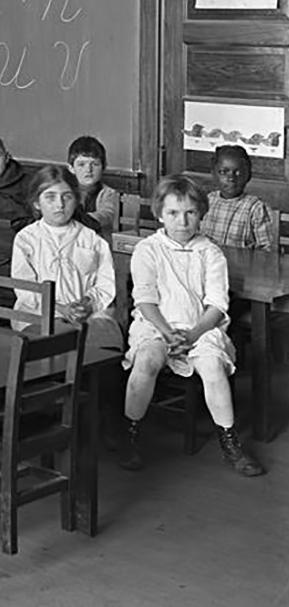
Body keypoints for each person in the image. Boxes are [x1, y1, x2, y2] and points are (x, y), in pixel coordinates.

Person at [120, 175, 265, 477]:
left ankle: (230, 440)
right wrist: (167, 332)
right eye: (173, 213)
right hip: (156, 325)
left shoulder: (210, 252)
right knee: (147, 361)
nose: (182, 221)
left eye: (190, 213)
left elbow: (217, 303)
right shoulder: (148, 249)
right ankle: (131, 433)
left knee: (212, 367)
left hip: (199, 327)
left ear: (200, 214)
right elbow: (145, 299)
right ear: (160, 214)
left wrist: (194, 333)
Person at [11, 165, 122, 351]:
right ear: (37, 203)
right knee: (55, 342)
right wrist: (61, 309)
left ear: (76, 199)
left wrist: (87, 303)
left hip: (87, 312)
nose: (60, 204)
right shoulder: (26, 239)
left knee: (104, 343)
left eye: (67, 196)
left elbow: (105, 283)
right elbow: (26, 289)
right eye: (50, 197)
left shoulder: (92, 238)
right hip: (40, 311)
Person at [199, 145, 274, 251]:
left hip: (243, 266)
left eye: (238, 172)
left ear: (248, 176)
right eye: (223, 172)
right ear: (213, 174)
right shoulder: (206, 201)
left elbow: (265, 251)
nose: (231, 178)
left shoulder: (256, 208)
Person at [68, 135, 119, 237]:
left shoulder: (108, 193)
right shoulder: (66, 191)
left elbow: (105, 215)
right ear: (71, 168)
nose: (88, 170)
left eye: (95, 164)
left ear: (104, 167)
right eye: (81, 165)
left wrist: (77, 218)